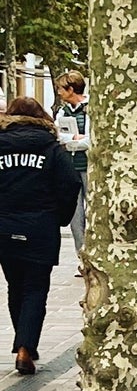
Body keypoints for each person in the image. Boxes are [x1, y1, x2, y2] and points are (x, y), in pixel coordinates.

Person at [0, 93, 83, 374]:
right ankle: (25, 346)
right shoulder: (51, 148)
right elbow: (71, 183)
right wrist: (60, 216)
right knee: (36, 288)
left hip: (5, 225)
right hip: (40, 227)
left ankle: (24, 343)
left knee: (16, 286)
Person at [54, 73, 90, 259]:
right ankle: (82, 256)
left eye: (61, 88)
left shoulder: (91, 109)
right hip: (70, 168)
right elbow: (57, 136)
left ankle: (94, 253)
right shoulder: (62, 111)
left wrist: (71, 141)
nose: (59, 92)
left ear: (71, 89)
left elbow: (91, 141)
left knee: (93, 212)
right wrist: (75, 139)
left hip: (90, 167)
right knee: (75, 215)